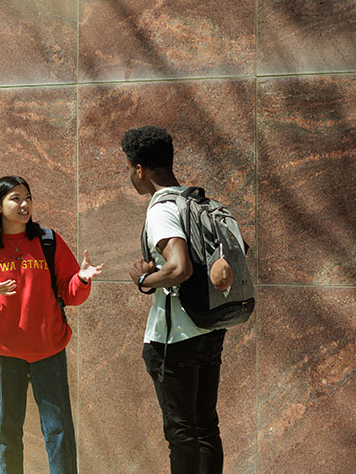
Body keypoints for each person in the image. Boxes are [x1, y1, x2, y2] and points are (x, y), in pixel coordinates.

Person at [0, 175, 104, 474]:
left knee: (59, 430)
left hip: (48, 349)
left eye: (27, 197)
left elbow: (70, 293)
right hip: (2, 353)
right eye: (15, 198)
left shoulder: (48, 241)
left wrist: (82, 278)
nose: (24, 204)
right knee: (8, 432)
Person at [122, 126, 226, 474]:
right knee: (206, 427)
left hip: (175, 338)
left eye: (129, 168)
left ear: (139, 168)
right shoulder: (199, 201)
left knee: (182, 433)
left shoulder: (162, 209)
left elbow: (180, 268)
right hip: (210, 327)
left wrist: (144, 279)